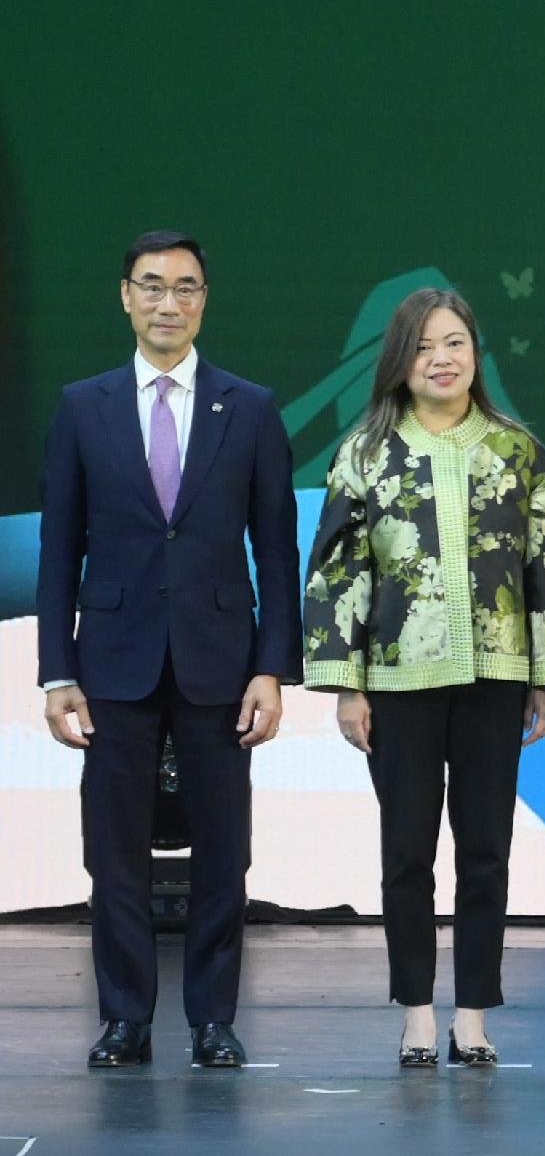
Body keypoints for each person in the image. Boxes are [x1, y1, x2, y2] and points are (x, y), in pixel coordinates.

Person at [300, 285, 545, 1068]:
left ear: (476, 354)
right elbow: (336, 571)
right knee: (407, 851)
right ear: (399, 360)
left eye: (455, 342)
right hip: (397, 683)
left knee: (486, 848)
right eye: (424, 345)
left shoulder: (519, 451)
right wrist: (347, 684)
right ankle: (418, 1013)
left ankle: (475, 1015)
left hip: (496, 679)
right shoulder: (364, 452)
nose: (442, 358)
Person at [41, 231, 298, 1070]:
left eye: (185, 287)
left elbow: (277, 548)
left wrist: (271, 665)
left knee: (225, 845)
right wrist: (57, 669)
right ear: (125, 295)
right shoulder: (84, 405)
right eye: (151, 286)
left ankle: (214, 1019)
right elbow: (59, 549)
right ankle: (124, 1017)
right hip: (111, 658)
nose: (167, 302)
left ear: (204, 299)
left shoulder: (250, 407)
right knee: (112, 848)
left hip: (220, 660)